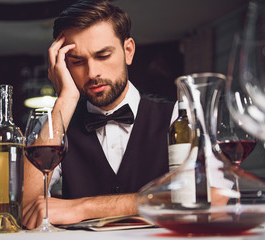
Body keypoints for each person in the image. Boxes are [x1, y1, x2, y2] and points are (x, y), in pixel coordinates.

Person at [22, 0, 175, 229]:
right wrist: (65, 99)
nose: (92, 73)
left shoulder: (177, 117)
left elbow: (209, 195)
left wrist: (82, 207)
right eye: (77, 61)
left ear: (128, 51)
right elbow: (26, 210)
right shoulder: (54, 126)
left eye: (103, 56)